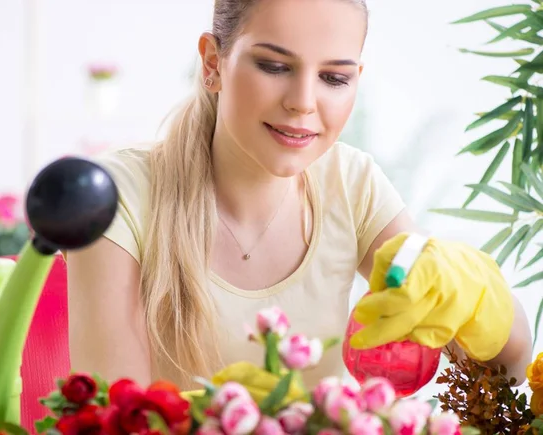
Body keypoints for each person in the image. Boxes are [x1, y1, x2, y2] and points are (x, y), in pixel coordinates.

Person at [65, 0, 532, 392]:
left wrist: (481, 299)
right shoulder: (116, 195)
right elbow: (114, 417)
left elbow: (503, 379)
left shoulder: (353, 185)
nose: (304, 101)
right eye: (274, 66)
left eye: (334, 78)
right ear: (212, 63)